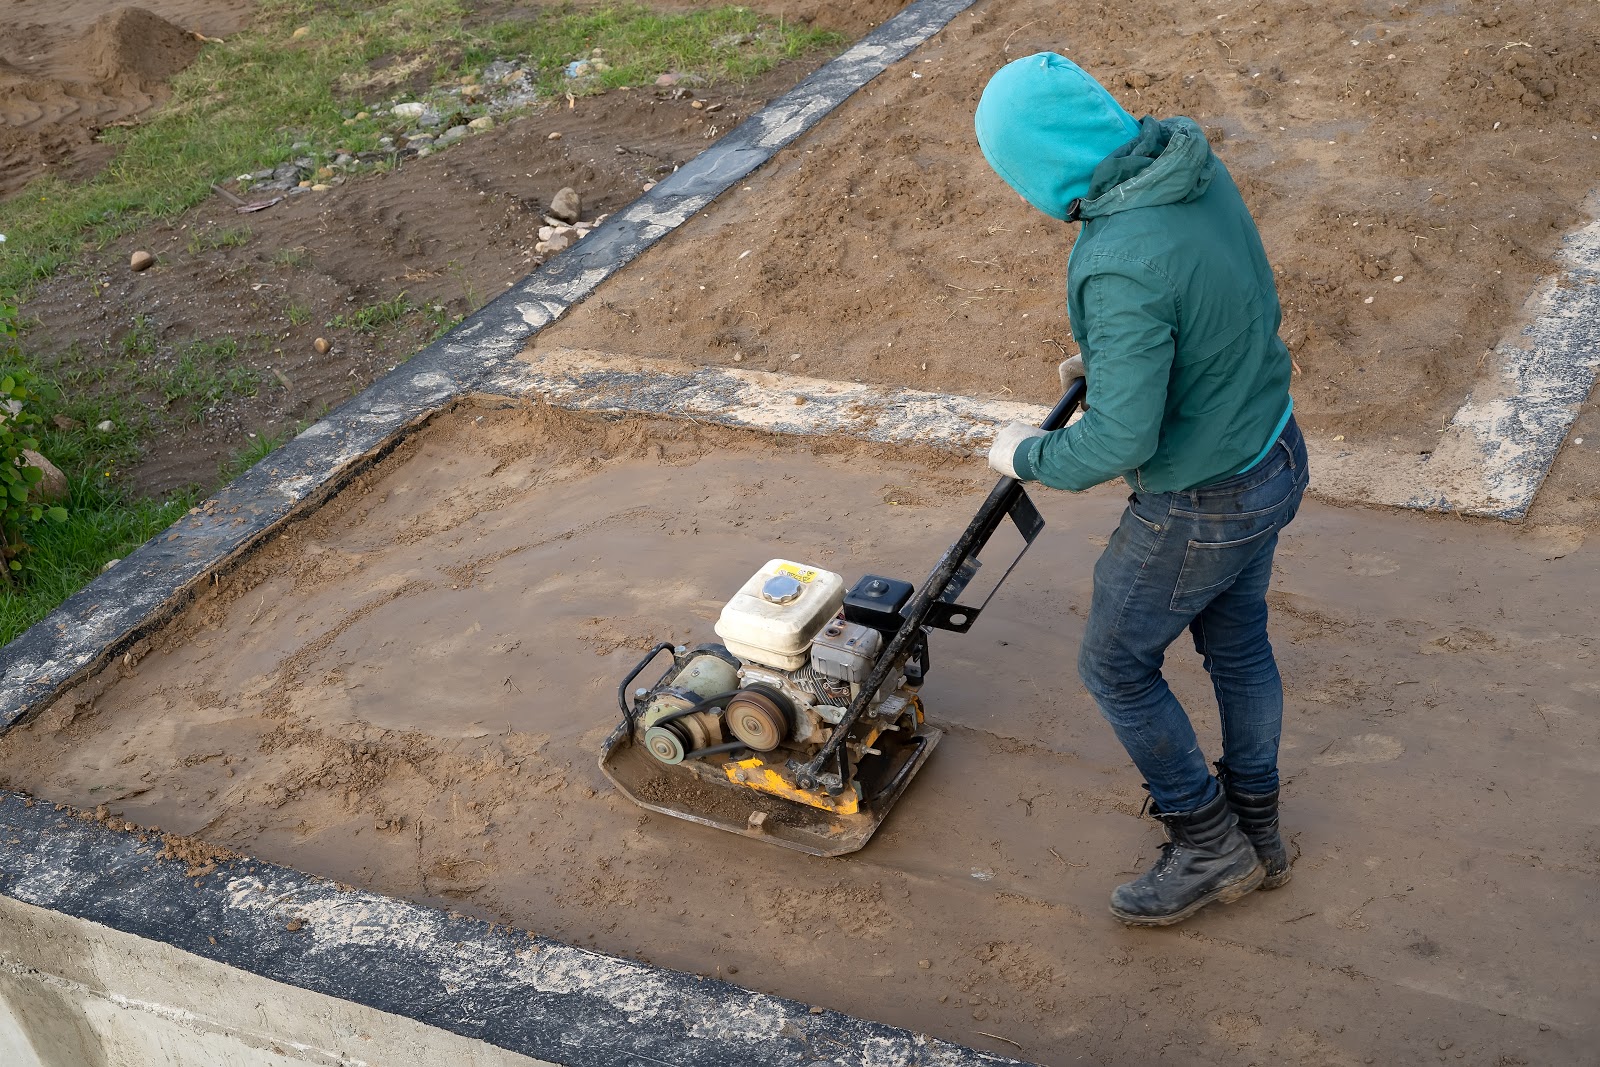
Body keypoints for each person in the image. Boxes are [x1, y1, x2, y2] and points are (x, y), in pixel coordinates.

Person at [974, 52, 1310, 926]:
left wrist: (1026, 457)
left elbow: (1122, 439)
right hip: (1273, 451)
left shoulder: (1119, 258)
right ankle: (1262, 832)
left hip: (1201, 501)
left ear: (1042, 163)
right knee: (1238, 648)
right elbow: (1226, 300)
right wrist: (1120, 361)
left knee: (1115, 664)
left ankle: (1208, 845)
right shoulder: (1187, 168)